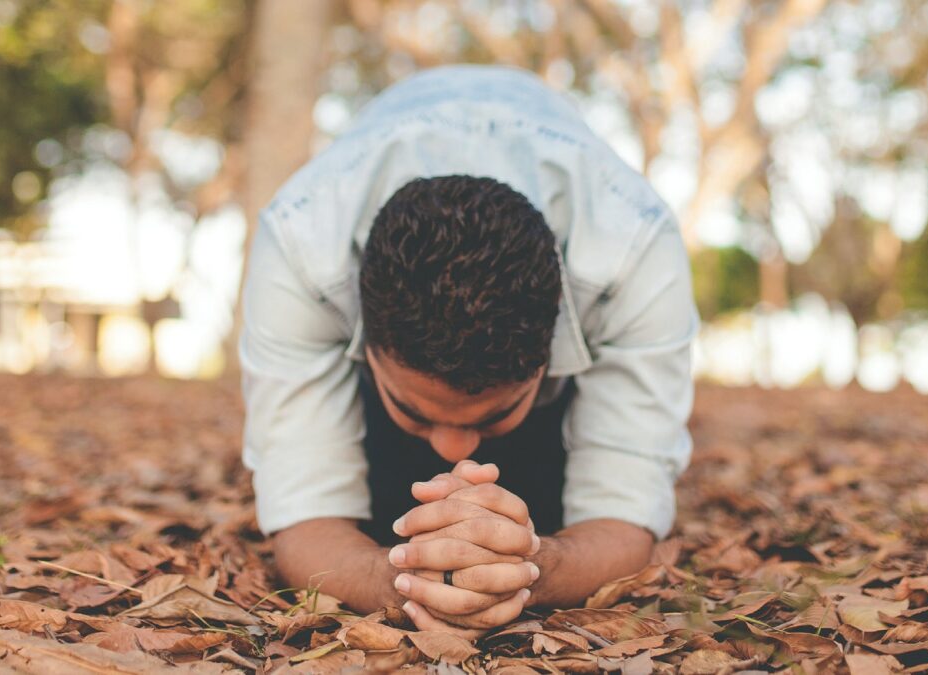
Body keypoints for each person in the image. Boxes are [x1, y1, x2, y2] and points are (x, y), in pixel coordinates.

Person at [239, 64, 699, 638]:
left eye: (496, 412)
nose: (454, 449)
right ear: (367, 340)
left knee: (541, 498)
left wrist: (533, 567)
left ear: (550, 352)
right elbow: (304, 515)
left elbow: (625, 513)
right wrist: (400, 578)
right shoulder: (301, 242)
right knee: (390, 499)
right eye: (415, 410)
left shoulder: (632, 245)